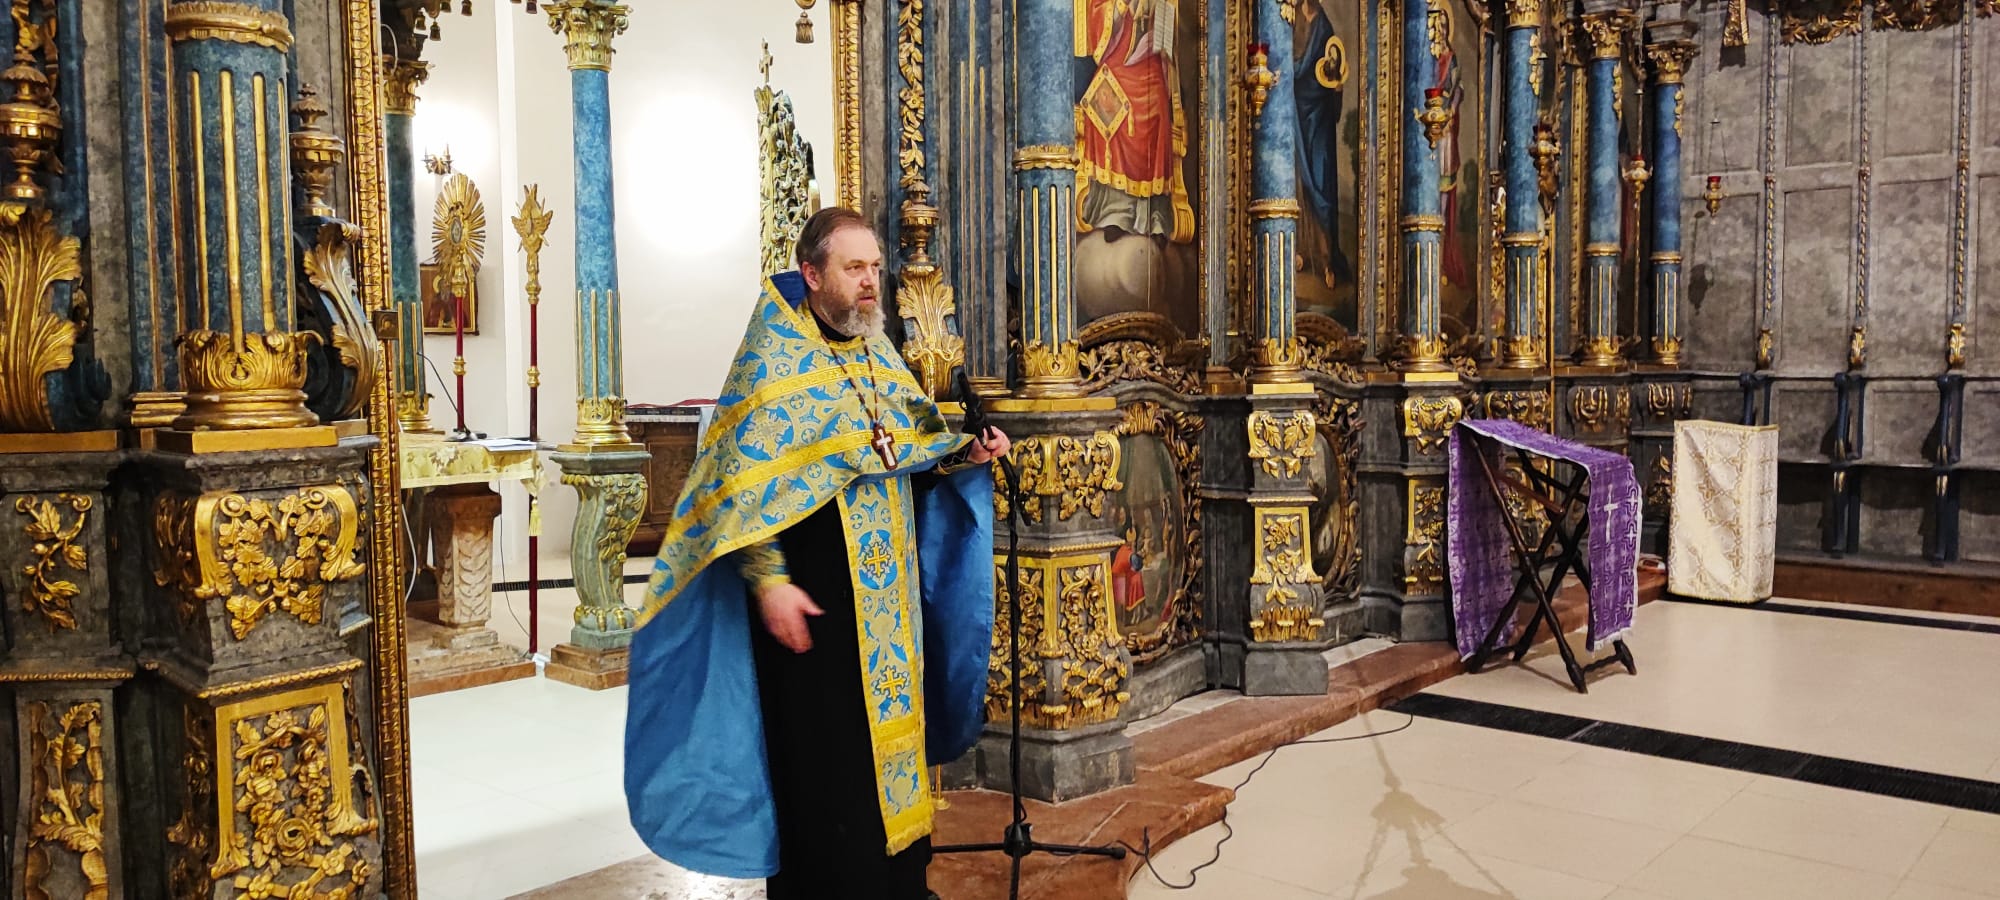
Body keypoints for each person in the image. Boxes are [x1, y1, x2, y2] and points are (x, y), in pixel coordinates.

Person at [625, 207, 1011, 899]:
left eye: (875, 268)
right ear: (811, 273)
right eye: (854, 268)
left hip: (887, 610)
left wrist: (964, 457)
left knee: (890, 765)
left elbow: (906, 455)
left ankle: (899, 888)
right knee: (827, 778)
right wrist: (770, 583)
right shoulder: (771, 364)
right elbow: (736, 492)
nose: (870, 282)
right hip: (814, 605)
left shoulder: (875, 352)